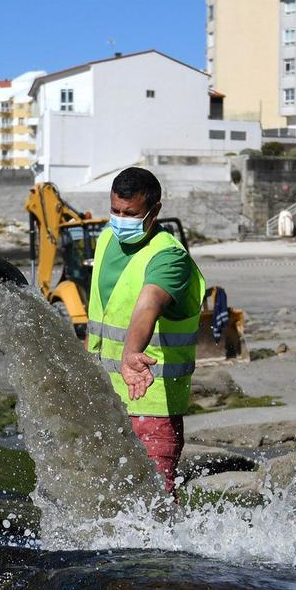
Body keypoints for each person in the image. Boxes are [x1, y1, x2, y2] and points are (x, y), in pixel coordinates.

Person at [85, 167, 204, 492]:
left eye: (131, 213)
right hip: (104, 401)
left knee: (155, 500)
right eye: (115, 211)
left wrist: (131, 353)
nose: (120, 219)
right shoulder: (107, 238)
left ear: (155, 211)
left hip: (151, 405)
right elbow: (98, 313)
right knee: (105, 496)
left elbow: (148, 303)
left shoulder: (169, 258)